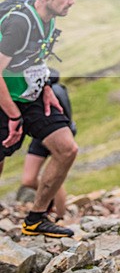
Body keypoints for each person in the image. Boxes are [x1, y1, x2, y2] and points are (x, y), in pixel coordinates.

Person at [0, 0, 79, 237]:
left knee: (67, 149)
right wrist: (12, 116)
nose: (72, 1)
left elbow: (37, 56)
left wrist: (45, 87)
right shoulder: (19, 24)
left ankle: (35, 219)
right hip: (4, 98)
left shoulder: (51, 16)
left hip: (32, 94)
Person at [19, 69, 76, 219]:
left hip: (51, 135)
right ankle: (49, 200)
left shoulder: (55, 91)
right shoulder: (51, 89)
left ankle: (60, 216)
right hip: (39, 136)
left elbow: (64, 119)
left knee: (56, 169)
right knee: (28, 179)